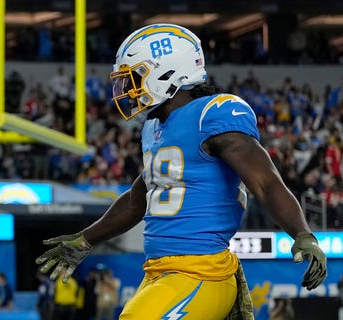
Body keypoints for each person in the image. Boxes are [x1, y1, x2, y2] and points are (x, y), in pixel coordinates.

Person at [36, 23, 327, 320]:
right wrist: (86, 239)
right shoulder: (153, 128)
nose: (128, 89)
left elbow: (266, 182)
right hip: (159, 273)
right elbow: (139, 197)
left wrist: (302, 234)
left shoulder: (212, 114)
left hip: (201, 270)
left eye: (135, 77)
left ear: (167, 72)